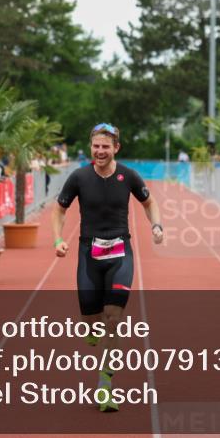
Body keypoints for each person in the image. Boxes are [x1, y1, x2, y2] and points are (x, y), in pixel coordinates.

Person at [52, 122, 164, 413]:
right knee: (91, 320)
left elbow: (150, 203)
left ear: (116, 148)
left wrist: (157, 225)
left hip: (120, 252)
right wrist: (58, 239)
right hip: (88, 252)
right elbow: (60, 209)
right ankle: (91, 328)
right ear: (91, 147)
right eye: (96, 146)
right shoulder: (79, 177)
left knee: (113, 318)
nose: (100, 151)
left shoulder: (129, 176)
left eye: (105, 146)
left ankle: (105, 383)